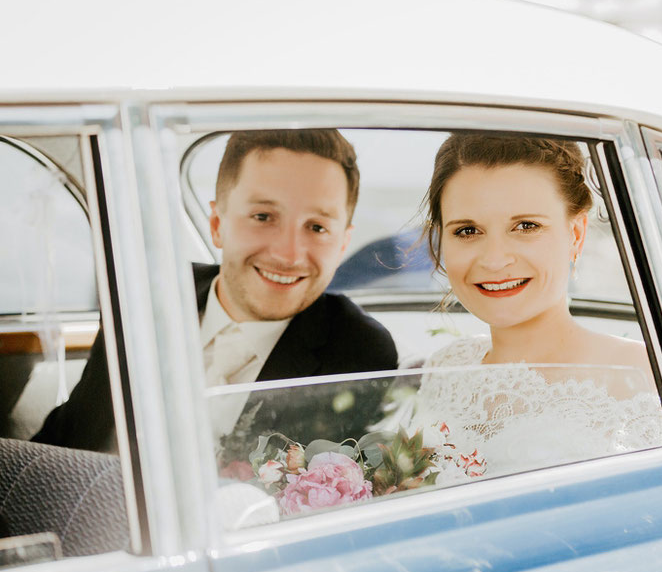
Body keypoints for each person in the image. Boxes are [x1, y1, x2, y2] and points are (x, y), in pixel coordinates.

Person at [33, 129, 398, 460]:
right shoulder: (146, 296)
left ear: (342, 244)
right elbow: (69, 435)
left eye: (317, 227)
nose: (289, 254)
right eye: (263, 216)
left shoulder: (358, 350)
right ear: (217, 225)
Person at [412, 134, 662, 480]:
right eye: (468, 231)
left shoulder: (643, 376)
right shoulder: (444, 368)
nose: (494, 260)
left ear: (575, 234)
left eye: (526, 226)